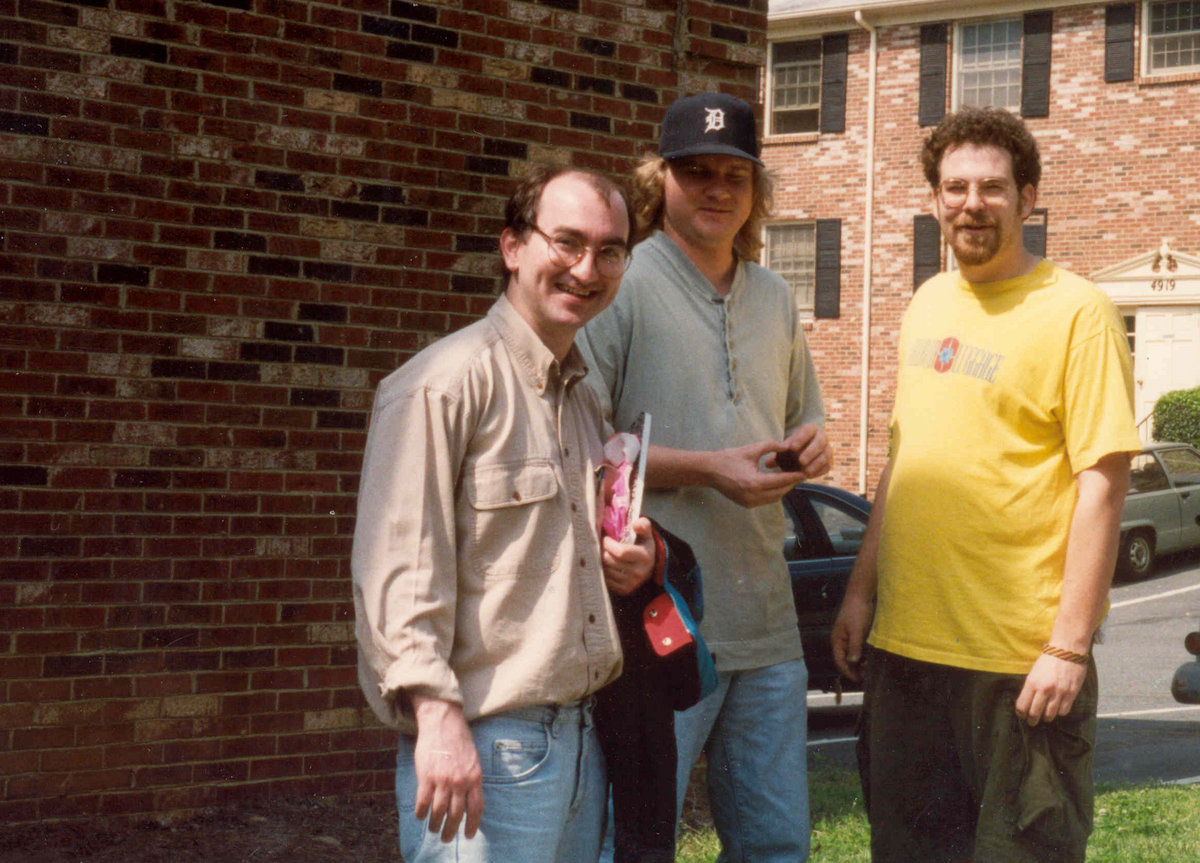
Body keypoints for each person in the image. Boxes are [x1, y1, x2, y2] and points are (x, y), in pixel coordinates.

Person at [831, 107, 1142, 863]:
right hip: (907, 653)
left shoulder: (1078, 311)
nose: (972, 204)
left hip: (1017, 666)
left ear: (1027, 198)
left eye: (992, 188)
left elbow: (1103, 485)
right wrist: (861, 593)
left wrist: (1068, 647)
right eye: (955, 187)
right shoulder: (928, 303)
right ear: (935, 199)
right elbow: (903, 459)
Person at [351, 165, 659, 863]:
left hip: (581, 740)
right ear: (513, 246)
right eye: (567, 242)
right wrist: (436, 719)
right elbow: (398, 570)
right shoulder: (441, 387)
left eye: (610, 251)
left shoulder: (583, 397)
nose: (587, 269)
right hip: (485, 746)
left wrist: (625, 561)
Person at [579, 92, 831, 862]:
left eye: (735, 174)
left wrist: (809, 449)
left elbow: (804, 419)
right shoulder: (623, 282)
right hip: (657, 616)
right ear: (660, 180)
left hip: (767, 621)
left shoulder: (776, 296)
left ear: (756, 189)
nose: (717, 189)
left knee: (776, 845)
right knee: (637, 842)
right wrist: (709, 471)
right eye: (696, 172)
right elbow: (581, 444)